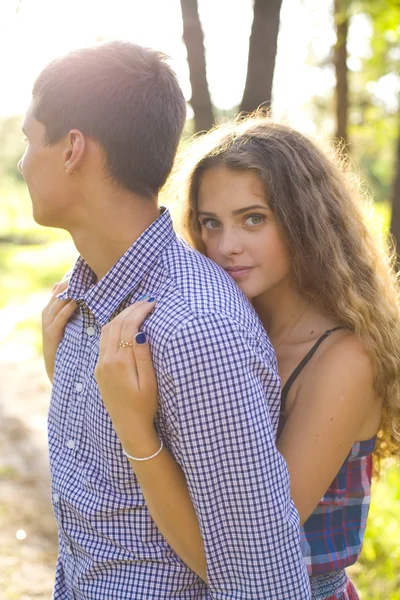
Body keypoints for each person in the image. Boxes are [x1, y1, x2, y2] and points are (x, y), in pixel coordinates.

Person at [44, 115, 400, 600]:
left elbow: (241, 560)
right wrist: (65, 363)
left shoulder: (345, 359)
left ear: (305, 221)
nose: (226, 247)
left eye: (254, 219)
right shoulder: (225, 323)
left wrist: (136, 430)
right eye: (211, 223)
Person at [19, 44, 311, 599]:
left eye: (31, 141)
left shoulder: (195, 327)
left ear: (72, 150)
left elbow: (262, 580)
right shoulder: (81, 302)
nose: (22, 162)